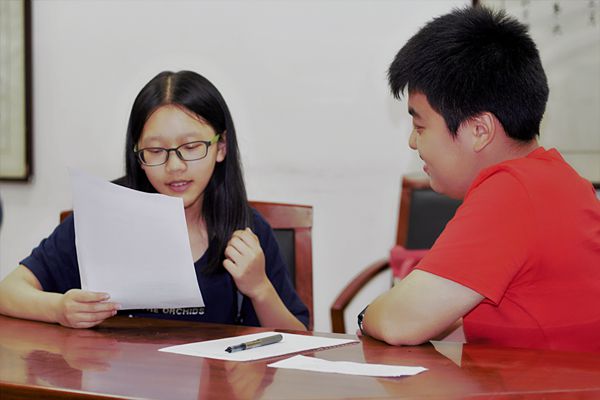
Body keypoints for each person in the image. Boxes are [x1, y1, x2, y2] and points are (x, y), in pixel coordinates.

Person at [360, 6, 600, 351]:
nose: (413, 142)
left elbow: (401, 322)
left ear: (479, 130)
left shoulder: (511, 191)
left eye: (420, 126)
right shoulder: (560, 180)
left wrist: (367, 316)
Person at [0, 70, 308, 330]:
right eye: (156, 151)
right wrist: (59, 309)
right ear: (138, 155)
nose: (175, 166)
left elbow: (300, 341)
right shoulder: (103, 218)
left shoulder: (246, 229)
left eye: (191, 147)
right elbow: (8, 291)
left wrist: (259, 288)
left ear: (221, 147)